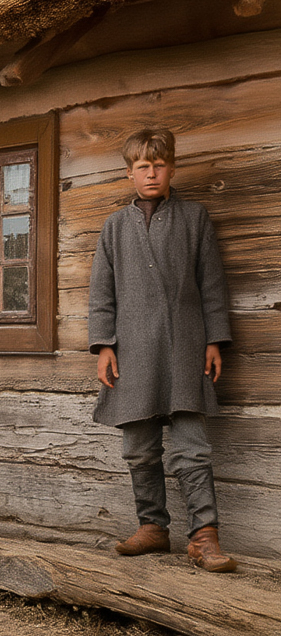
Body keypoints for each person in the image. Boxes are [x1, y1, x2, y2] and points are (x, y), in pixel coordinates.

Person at [89, 128, 236, 572]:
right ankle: (153, 528)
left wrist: (213, 340)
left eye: (158, 165)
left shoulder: (195, 218)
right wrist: (104, 346)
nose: (151, 174)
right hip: (131, 350)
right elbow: (101, 292)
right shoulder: (114, 226)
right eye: (142, 167)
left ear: (171, 167)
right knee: (138, 445)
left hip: (186, 346)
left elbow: (212, 284)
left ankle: (204, 536)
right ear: (129, 173)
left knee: (192, 446)